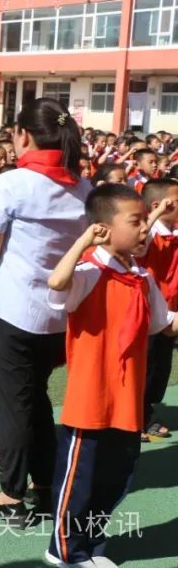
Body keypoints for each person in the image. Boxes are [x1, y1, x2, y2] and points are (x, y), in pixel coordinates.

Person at [0, 98, 92, 527]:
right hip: (58, 316)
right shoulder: (82, 187)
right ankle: (48, 485)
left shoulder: (12, 184)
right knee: (35, 398)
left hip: (12, 312)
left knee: (15, 403)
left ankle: (10, 496)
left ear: (24, 135)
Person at [45, 184, 178, 566]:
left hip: (127, 397)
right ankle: (64, 550)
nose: (144, 229)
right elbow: (56, 285)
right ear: (104, 227)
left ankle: (90, 544)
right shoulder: (89, 271)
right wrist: (84, 240)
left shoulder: (141, 276)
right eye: (136, 222)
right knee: (81, 478)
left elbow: (163, 323)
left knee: (116, 476)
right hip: (91, 398)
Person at [138, 178, 178, 442]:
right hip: (149, 310)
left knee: (160, 367)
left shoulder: (173, 230)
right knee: (146, 366)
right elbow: (138, 240)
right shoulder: (149, 231)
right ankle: (138, 417)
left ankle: (146, 408)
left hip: (171, 309)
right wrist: (155, 214)